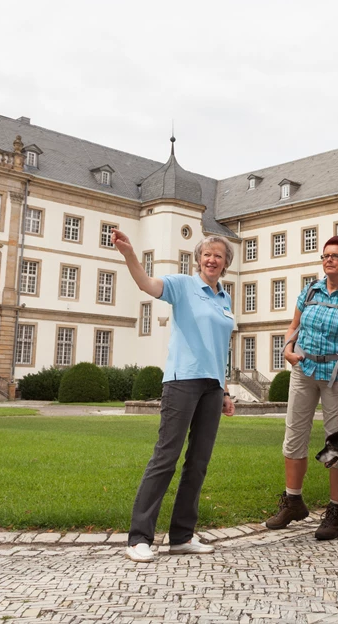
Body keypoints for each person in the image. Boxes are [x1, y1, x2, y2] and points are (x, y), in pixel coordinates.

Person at [113, 230, 238, 563]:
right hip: (183, 380)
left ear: (226, 263)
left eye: (219, 255)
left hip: (212, 386)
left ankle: (182, 536)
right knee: (166, 456)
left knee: (198, 462)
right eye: (207, 254)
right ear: (198, 259)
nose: (212, 259)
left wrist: (225, 389)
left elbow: (220, 349)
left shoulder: (224, 298)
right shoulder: (183, 285)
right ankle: (139, 537)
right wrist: (129, 256)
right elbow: (147, 285)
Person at [265, 235, 338, 541]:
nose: (329, 260)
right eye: (325, 255)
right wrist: (288, 349)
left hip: (337, 376)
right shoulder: (310, 290)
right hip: (304, 369)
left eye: (336, 256)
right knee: (293, 436)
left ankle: (335, 512)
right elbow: (292, 328)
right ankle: (293, 502)